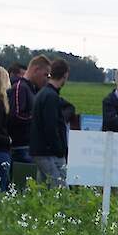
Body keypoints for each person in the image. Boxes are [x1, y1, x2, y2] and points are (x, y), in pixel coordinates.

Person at [30, 59, 72, 187]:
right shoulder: (51, 97)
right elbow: (51, 126)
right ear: (65, 75)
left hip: (39, 150)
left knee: (42, 188)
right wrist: (59, 150)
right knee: (59, 188)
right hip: (50, 153)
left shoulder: (41, 93)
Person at [7, 55, 49, 164]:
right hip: (21, 147)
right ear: (36, 70)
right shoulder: (20, 87)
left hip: (30, 146)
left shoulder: (32, 89)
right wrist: (38, 118)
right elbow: (15, 115)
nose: (46, 79)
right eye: (45, 74)